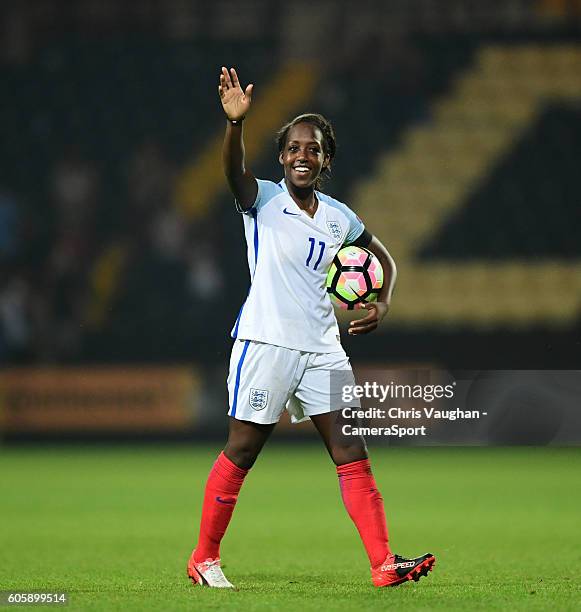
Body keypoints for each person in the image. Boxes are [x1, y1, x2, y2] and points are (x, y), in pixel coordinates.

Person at [187, 67, 436, 589]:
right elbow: (232, 172)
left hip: (324, 346)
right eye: (294, 147)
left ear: (325, 159)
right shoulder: (262, 200)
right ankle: (203, 557)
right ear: (282, 157)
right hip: (267, 342)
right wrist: (235, 126)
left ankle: (383, 565)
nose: (303, 155)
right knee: (243, 450)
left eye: (313, 149)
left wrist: (384, 300)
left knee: (352, 454)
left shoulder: (340, 217)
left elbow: (382, 255)